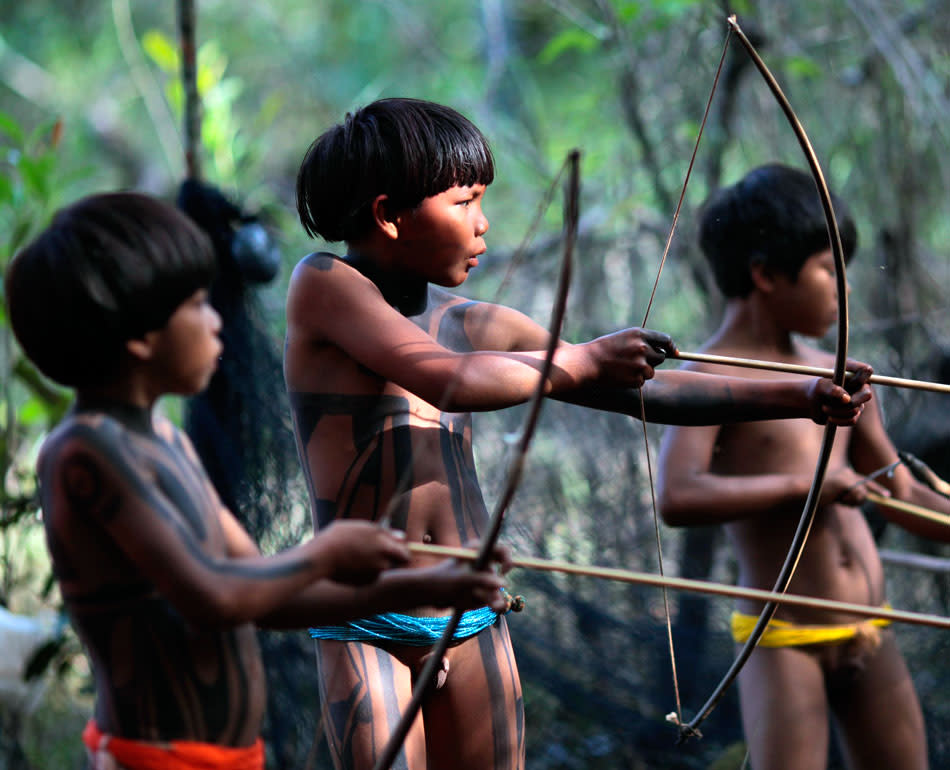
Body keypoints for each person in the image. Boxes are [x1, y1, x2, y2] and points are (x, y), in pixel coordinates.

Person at [287, 99, 875, 770]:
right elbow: (452, 381)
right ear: (391, 216)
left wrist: (800, 395)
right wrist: (586, 358)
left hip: (469, 614)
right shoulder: (326, 285)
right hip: (367, 621)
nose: (483, 225)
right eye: (465, 202)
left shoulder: (467, 317)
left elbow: (641, 391)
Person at [3, 191, 512, 770]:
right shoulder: (86, 451)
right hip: (153, 759)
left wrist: (429, 587)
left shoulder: (164, 442)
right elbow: (215, 595)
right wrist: (324, 553)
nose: (217, 319)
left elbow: (262, 594)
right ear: (141, 338)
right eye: (197, 305)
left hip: (227, 756)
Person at [656, 163, 950, 770]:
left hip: (870, 622)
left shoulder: (840, 372)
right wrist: (808, 486)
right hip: (783, 634)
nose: (843, 290)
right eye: (828, 270)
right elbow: (677, 497)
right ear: (764, 273)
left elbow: (904, 492)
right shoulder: (706, 377)